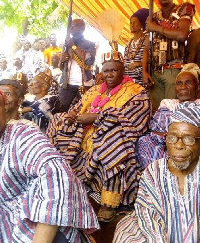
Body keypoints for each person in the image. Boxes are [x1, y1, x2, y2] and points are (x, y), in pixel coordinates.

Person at [47, 51, 151, 222]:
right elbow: (80, 106)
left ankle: (109, 201)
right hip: (84, 130)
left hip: (113, 132)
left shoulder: (136, 92)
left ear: (122, 71)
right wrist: (74, 113)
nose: (109, 75)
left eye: (114, 71)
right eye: (106, 71)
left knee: (112, 139)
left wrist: (97, 118)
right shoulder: (95, 89)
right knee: (58, 119)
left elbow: (133, 119)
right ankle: (59, 175)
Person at [0, 89, 99, 243]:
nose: (109, 75)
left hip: (25, 232)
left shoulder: (22, 134)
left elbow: (58, 178)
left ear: (5, 107)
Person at [99, 102, 200, 243]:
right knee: (128, 236)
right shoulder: (154, 170)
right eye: (172, 137)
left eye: (189, 139)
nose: (178, 145)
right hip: (153, 238)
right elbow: (149, 216)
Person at [137, 63, 200, 169]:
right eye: (179, 83)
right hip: (164, 141)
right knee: (144, 142)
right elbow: (154, 129)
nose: (183, 87)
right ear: (175, 88)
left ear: (198, 87)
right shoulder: (166, 103)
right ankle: (157, 178)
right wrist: (166, 136)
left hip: (189, 142)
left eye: (188, 83)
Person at [143, 0, 195, 112]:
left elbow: (182, 34)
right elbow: (146, 47)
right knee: (157, 113)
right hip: (155, 73)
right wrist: (144, 71)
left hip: (174, 70)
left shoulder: (184, 9)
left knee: (173, 111)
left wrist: (155, 28)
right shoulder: (153, 17)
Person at [59, 19, 96, 111]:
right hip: (66, 83)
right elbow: (61, 67)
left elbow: (88, 61)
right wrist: (61, 60)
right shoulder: (66, 44)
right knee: (62, 109)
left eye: (75, 25)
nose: (71, 27)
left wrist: (74, 46)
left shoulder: (90, 44)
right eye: (71, 25)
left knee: (84, 109)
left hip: (84, 83)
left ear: (83, 28)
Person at [124, 8, 149, 86]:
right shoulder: (128, 44)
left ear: (141, 24)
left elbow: (152, 60)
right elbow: (125, 63)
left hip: (141, 81)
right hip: (128, 82)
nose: (132, 25)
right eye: (131, 22)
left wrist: (139, 63)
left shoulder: (147, 40)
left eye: (134, 22)